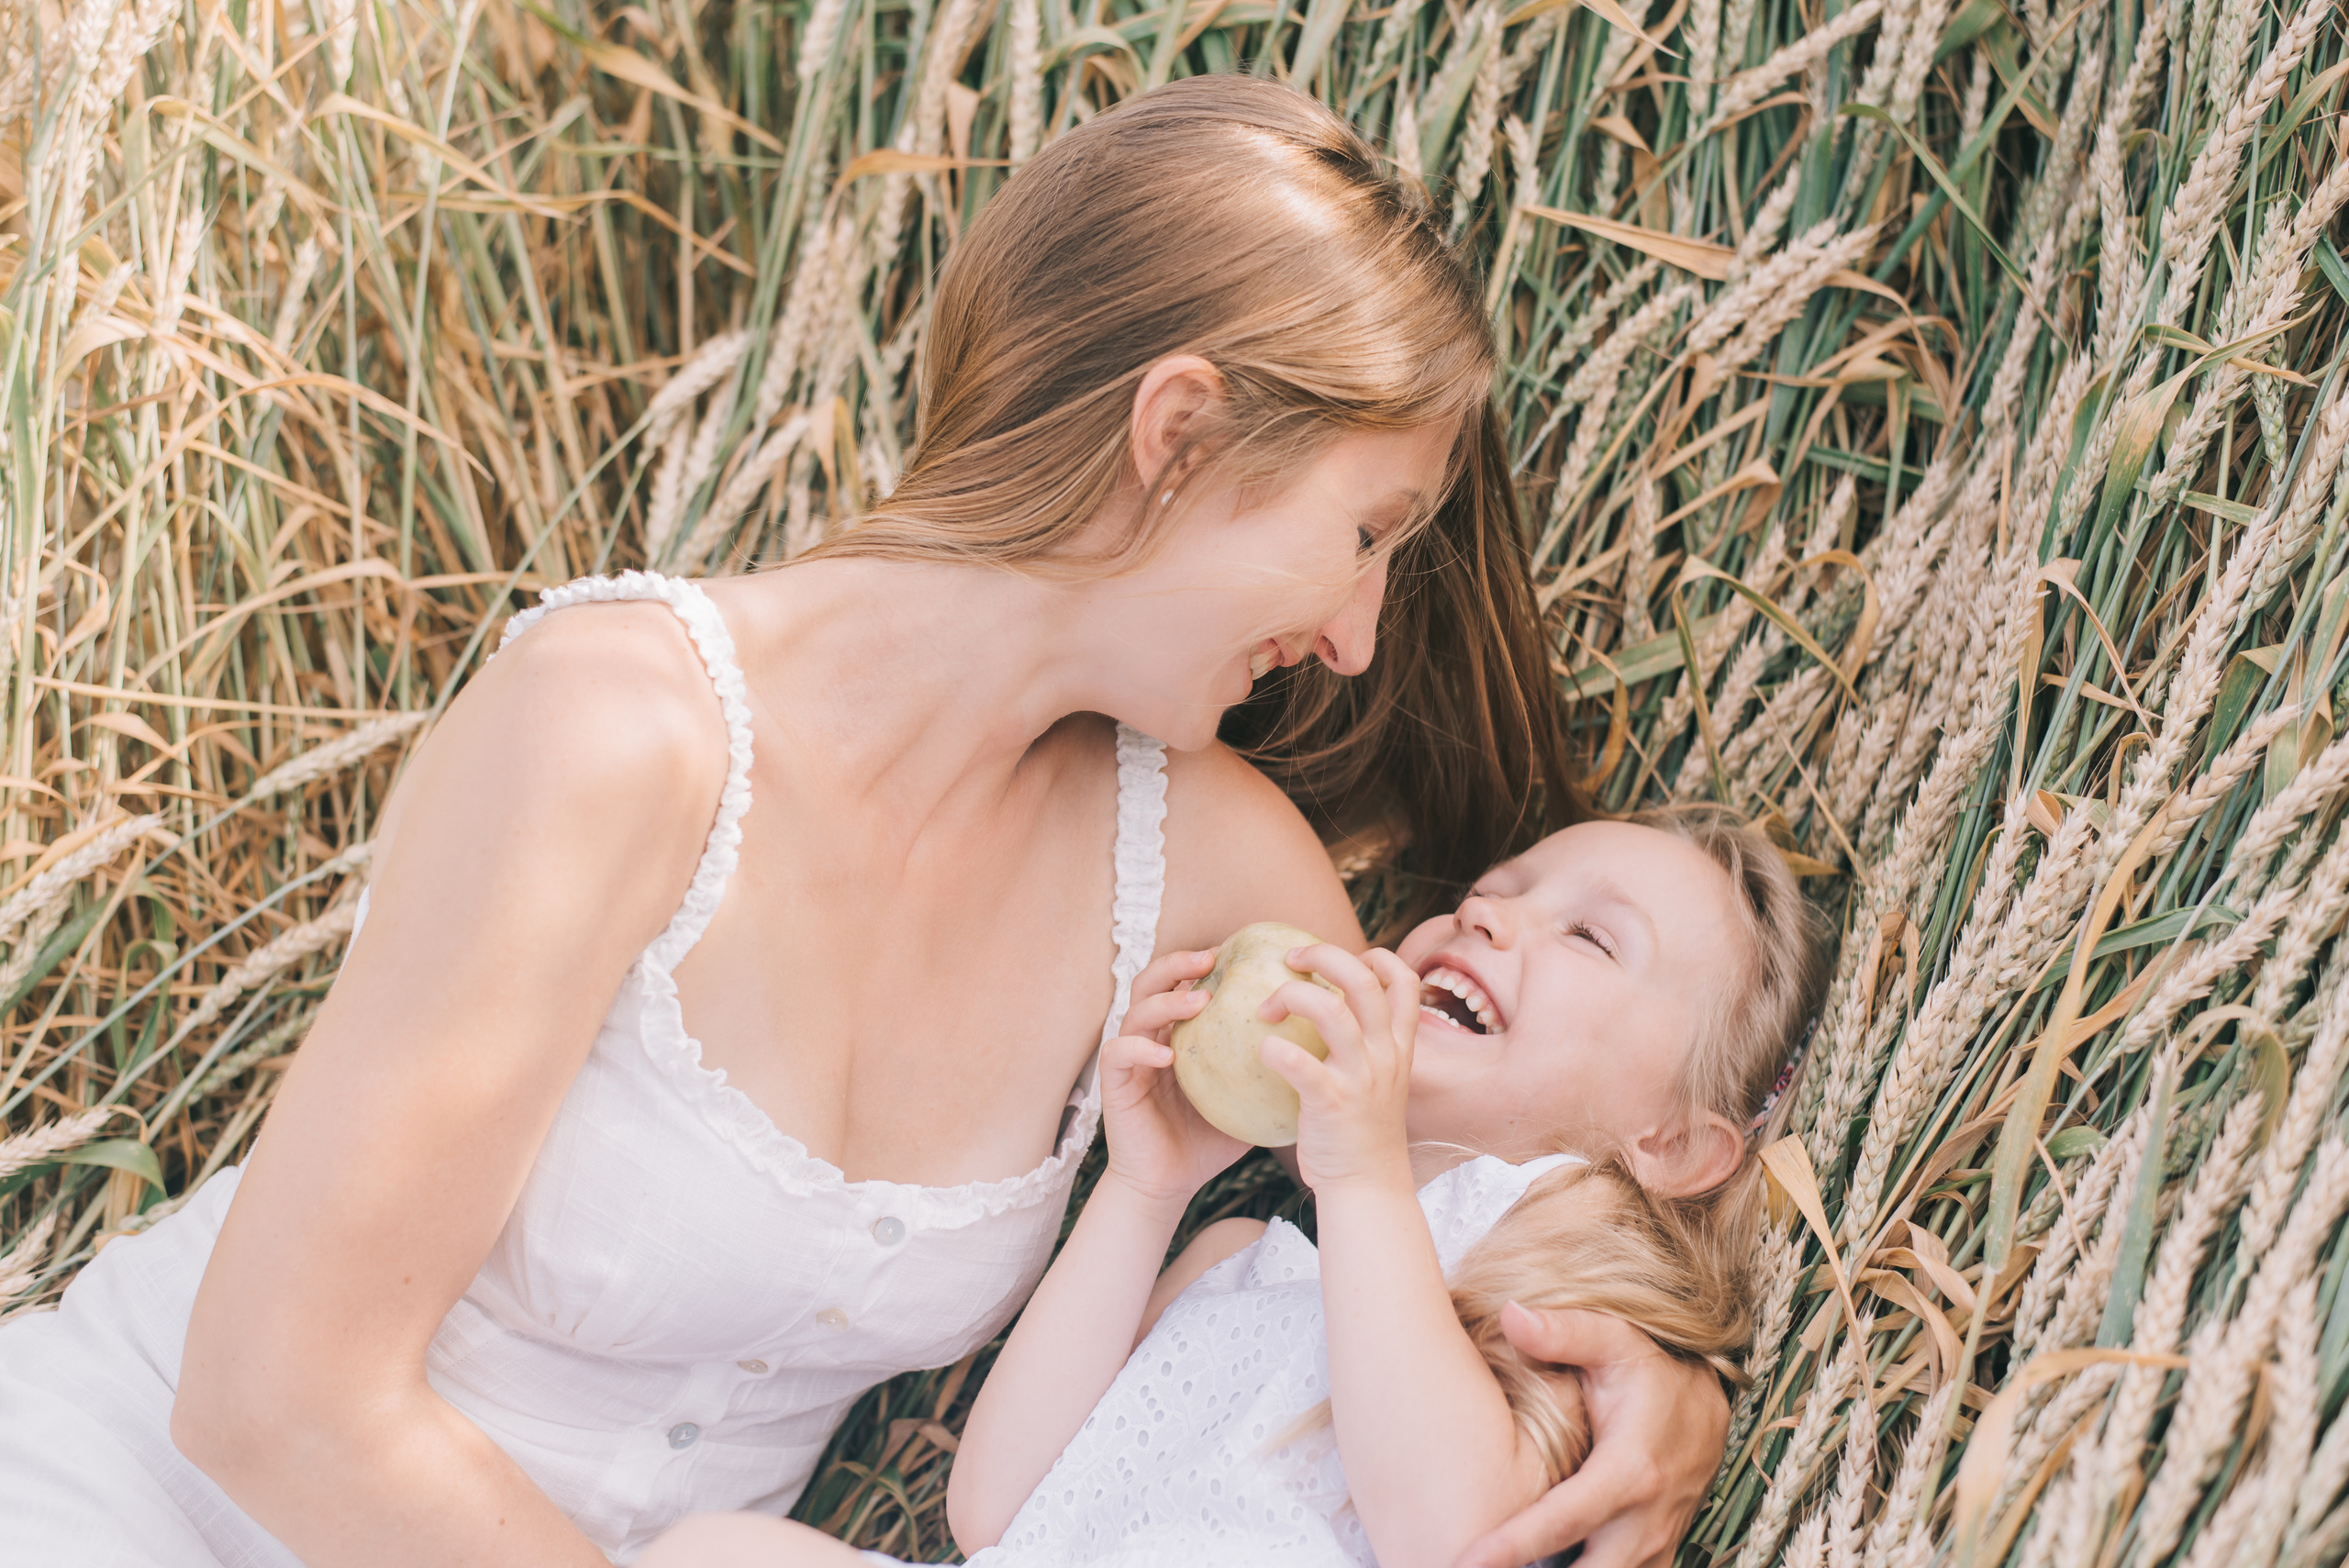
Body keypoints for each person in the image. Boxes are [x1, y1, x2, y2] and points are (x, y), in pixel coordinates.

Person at [0, 76, 1730, 1568]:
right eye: (1367, 532)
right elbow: (274, 1403)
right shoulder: (621, 731)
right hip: (138, 1509)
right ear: (1179, 433)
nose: (1357, 635)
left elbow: (1464, 1143)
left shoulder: (1204, 858)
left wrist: (1668, 1377)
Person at [639, 810, 1826, 1567]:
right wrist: (1147, 1189)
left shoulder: (1556, 1310)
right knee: (710, 1554)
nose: (1488, 912)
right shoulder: (1239, 1260)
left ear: (1671, 1141)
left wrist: (1361, 1171)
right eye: (1498, 884)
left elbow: (1450, 1537)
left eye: (1589, 939)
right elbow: (995, 1509)